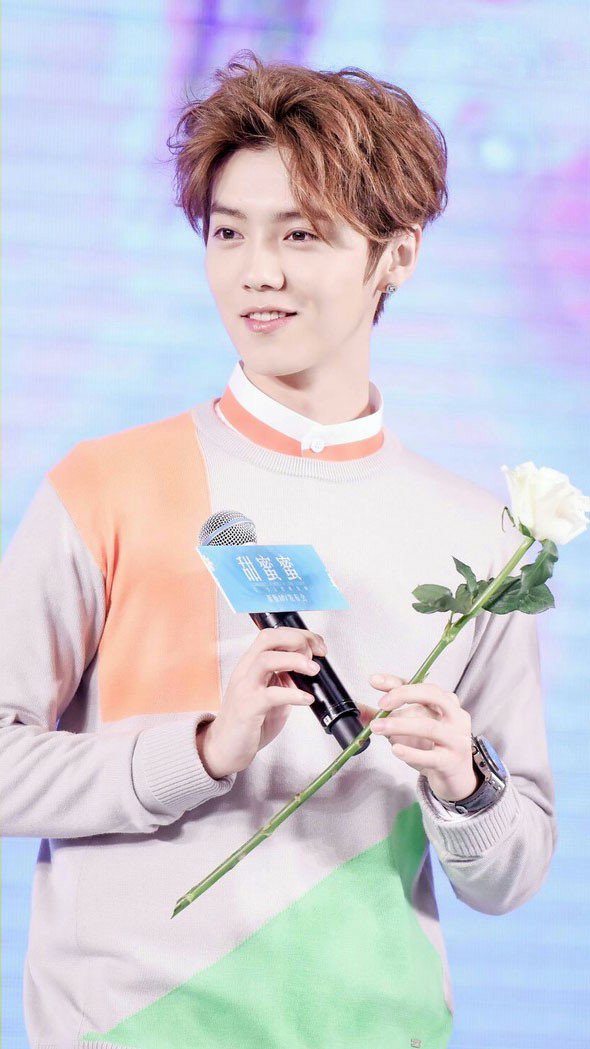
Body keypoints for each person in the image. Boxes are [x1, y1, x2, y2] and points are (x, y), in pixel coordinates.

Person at [1, 50, 556, 1048]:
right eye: (228, 232)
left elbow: (511, 873)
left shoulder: (481, 537)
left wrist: (466, 780)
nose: (257, 272)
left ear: (396, 254)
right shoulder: (107, 483)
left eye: (300, 233)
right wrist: (201, 752)